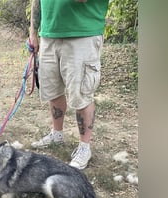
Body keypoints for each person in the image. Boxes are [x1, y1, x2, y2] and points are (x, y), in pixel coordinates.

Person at [29, 0, 109, 169]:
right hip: (49, 33)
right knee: (53, 90)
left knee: (81, 94)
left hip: (83, 34)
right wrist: (33, 32)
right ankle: (57, 134)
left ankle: (84, 147)